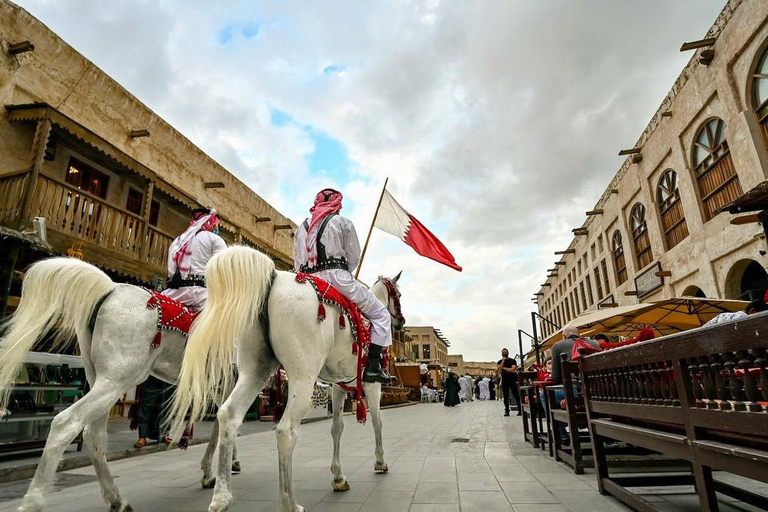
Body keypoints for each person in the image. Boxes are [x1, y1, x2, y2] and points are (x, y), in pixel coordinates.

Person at [294, 189, 393, 383]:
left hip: (307, 280)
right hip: (338, 280)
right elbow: (353, 257)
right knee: (381, 314)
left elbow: (298, 261)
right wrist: (341, 270)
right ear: (338, 206)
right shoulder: (342, 222)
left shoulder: (301, 227)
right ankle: (372, 366)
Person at [162, 208, 227, 310]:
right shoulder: (215, 239)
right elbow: (223, 271)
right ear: (211, 222)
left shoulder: (178, 241)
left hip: (172, 293)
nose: (216, 227)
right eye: (216, 224)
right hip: (200, 294)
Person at [546, 326, 600, 439]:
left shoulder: (558, 346)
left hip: (575, 392)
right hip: (597, 391)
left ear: (564, 336)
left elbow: (556, 376)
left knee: (545, 395)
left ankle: (561, 434)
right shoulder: (594, 344)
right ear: (578, 334)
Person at [134, 376, 173, 448]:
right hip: (153, 372)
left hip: (168, 374)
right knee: (147, 402)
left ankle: (164, 434)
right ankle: (142, 436)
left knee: (166, 404)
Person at [497, 348, 520, 416]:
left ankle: (520, 409)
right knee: (505, 396)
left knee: (516, 395)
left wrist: (503, 368)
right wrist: (503, 362)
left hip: (512, 380)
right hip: (504, 381)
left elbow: (512, 369)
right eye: (503, 352)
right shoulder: (499, 362)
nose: (504, 353)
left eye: (505, 352)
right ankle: (507, 410)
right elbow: (499, 369)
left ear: (508, 353)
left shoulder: (512, 361)